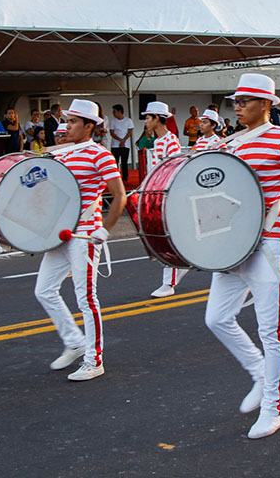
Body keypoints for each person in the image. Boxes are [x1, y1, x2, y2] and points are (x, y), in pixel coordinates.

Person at [205, 73, 280, 440]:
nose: (236, 107)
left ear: (267, 104)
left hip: (270, 242)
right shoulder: (230, 143)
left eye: (244, 101)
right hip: (232, 243)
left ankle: (273, 408)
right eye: (234, 102)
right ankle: (258, 371)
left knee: (271, 330)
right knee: (217, 319)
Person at [34, 99, 126, 381]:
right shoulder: (62, 155)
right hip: (60, 233)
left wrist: (104, 230)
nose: (67, 126)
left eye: (74, 122)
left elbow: (119, 196)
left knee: (86, 298)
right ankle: (74, 341)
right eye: (68, 120)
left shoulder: (100, 155)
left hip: (85, 233)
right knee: (44, 290)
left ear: (89, 127)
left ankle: (94, 359)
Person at [145, 101, 186, 298]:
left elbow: (174, 171)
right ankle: (182, 264)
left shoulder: (171, 141)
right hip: (157, 196)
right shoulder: (157, 142)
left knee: (166, 237)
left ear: (157, 119)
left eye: (147, 117)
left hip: (168, 197)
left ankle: (168, 283)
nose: (145, 121)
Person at [109, 104, 134, 181]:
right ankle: (115, 176)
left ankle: (125, 176)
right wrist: (120, 140)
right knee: (115, 161)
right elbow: (112, 133)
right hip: (115, 145)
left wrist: (123, 140)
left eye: (115, 111)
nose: (113, 113)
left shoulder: (128, 121)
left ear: (120, 111)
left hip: (126, 144)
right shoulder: (113, 121)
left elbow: (129, 132)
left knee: (124, 161)